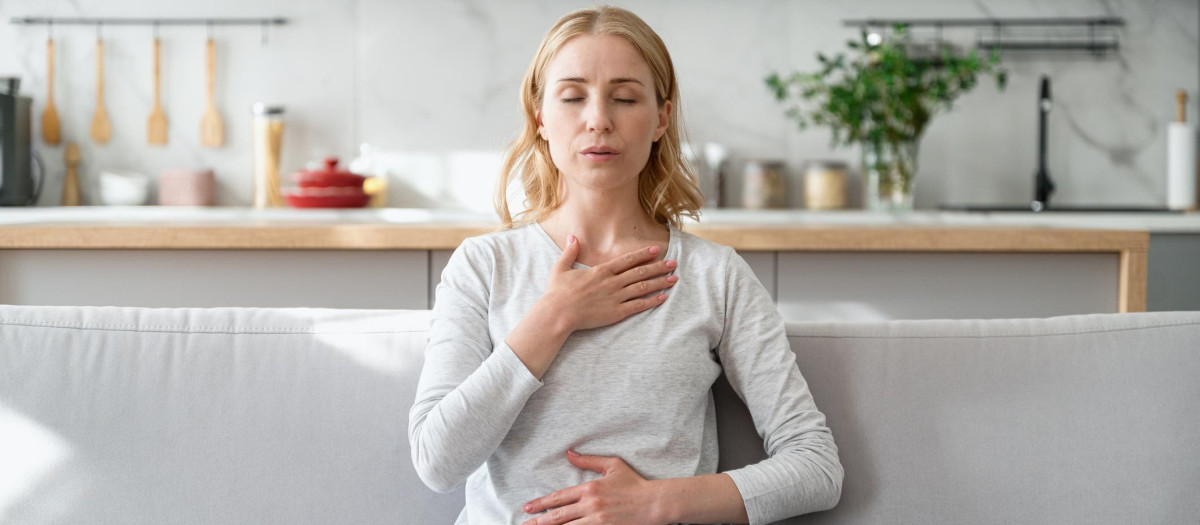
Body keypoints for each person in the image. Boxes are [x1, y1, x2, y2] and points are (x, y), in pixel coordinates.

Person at [408, 6, 843, 524]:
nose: (598, 119)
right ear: (540, 117)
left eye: (625, 97)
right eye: (572, 97)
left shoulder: (715, 276)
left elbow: (816, 467)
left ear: (661, 118)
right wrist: (554, 318)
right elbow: (436, 463)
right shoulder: (482, 266)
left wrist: (657, 502)